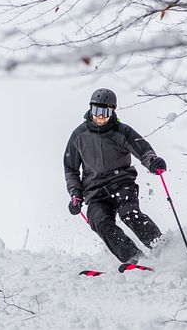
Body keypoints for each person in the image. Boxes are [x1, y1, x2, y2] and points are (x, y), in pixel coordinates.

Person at [63, 88, 166, 264]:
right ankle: (134, 259)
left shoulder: (121, 131)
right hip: (95, 192)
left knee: (129, 213)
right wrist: (75, 195)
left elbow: (143, 150)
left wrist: (153, 162)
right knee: (99, 221)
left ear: (113, 112)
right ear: (90, 109)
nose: (100, 117)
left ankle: (163, 248)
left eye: (105, 112)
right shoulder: (79, 136)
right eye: (97, 111)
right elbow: (70, 169)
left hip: (121, 183)